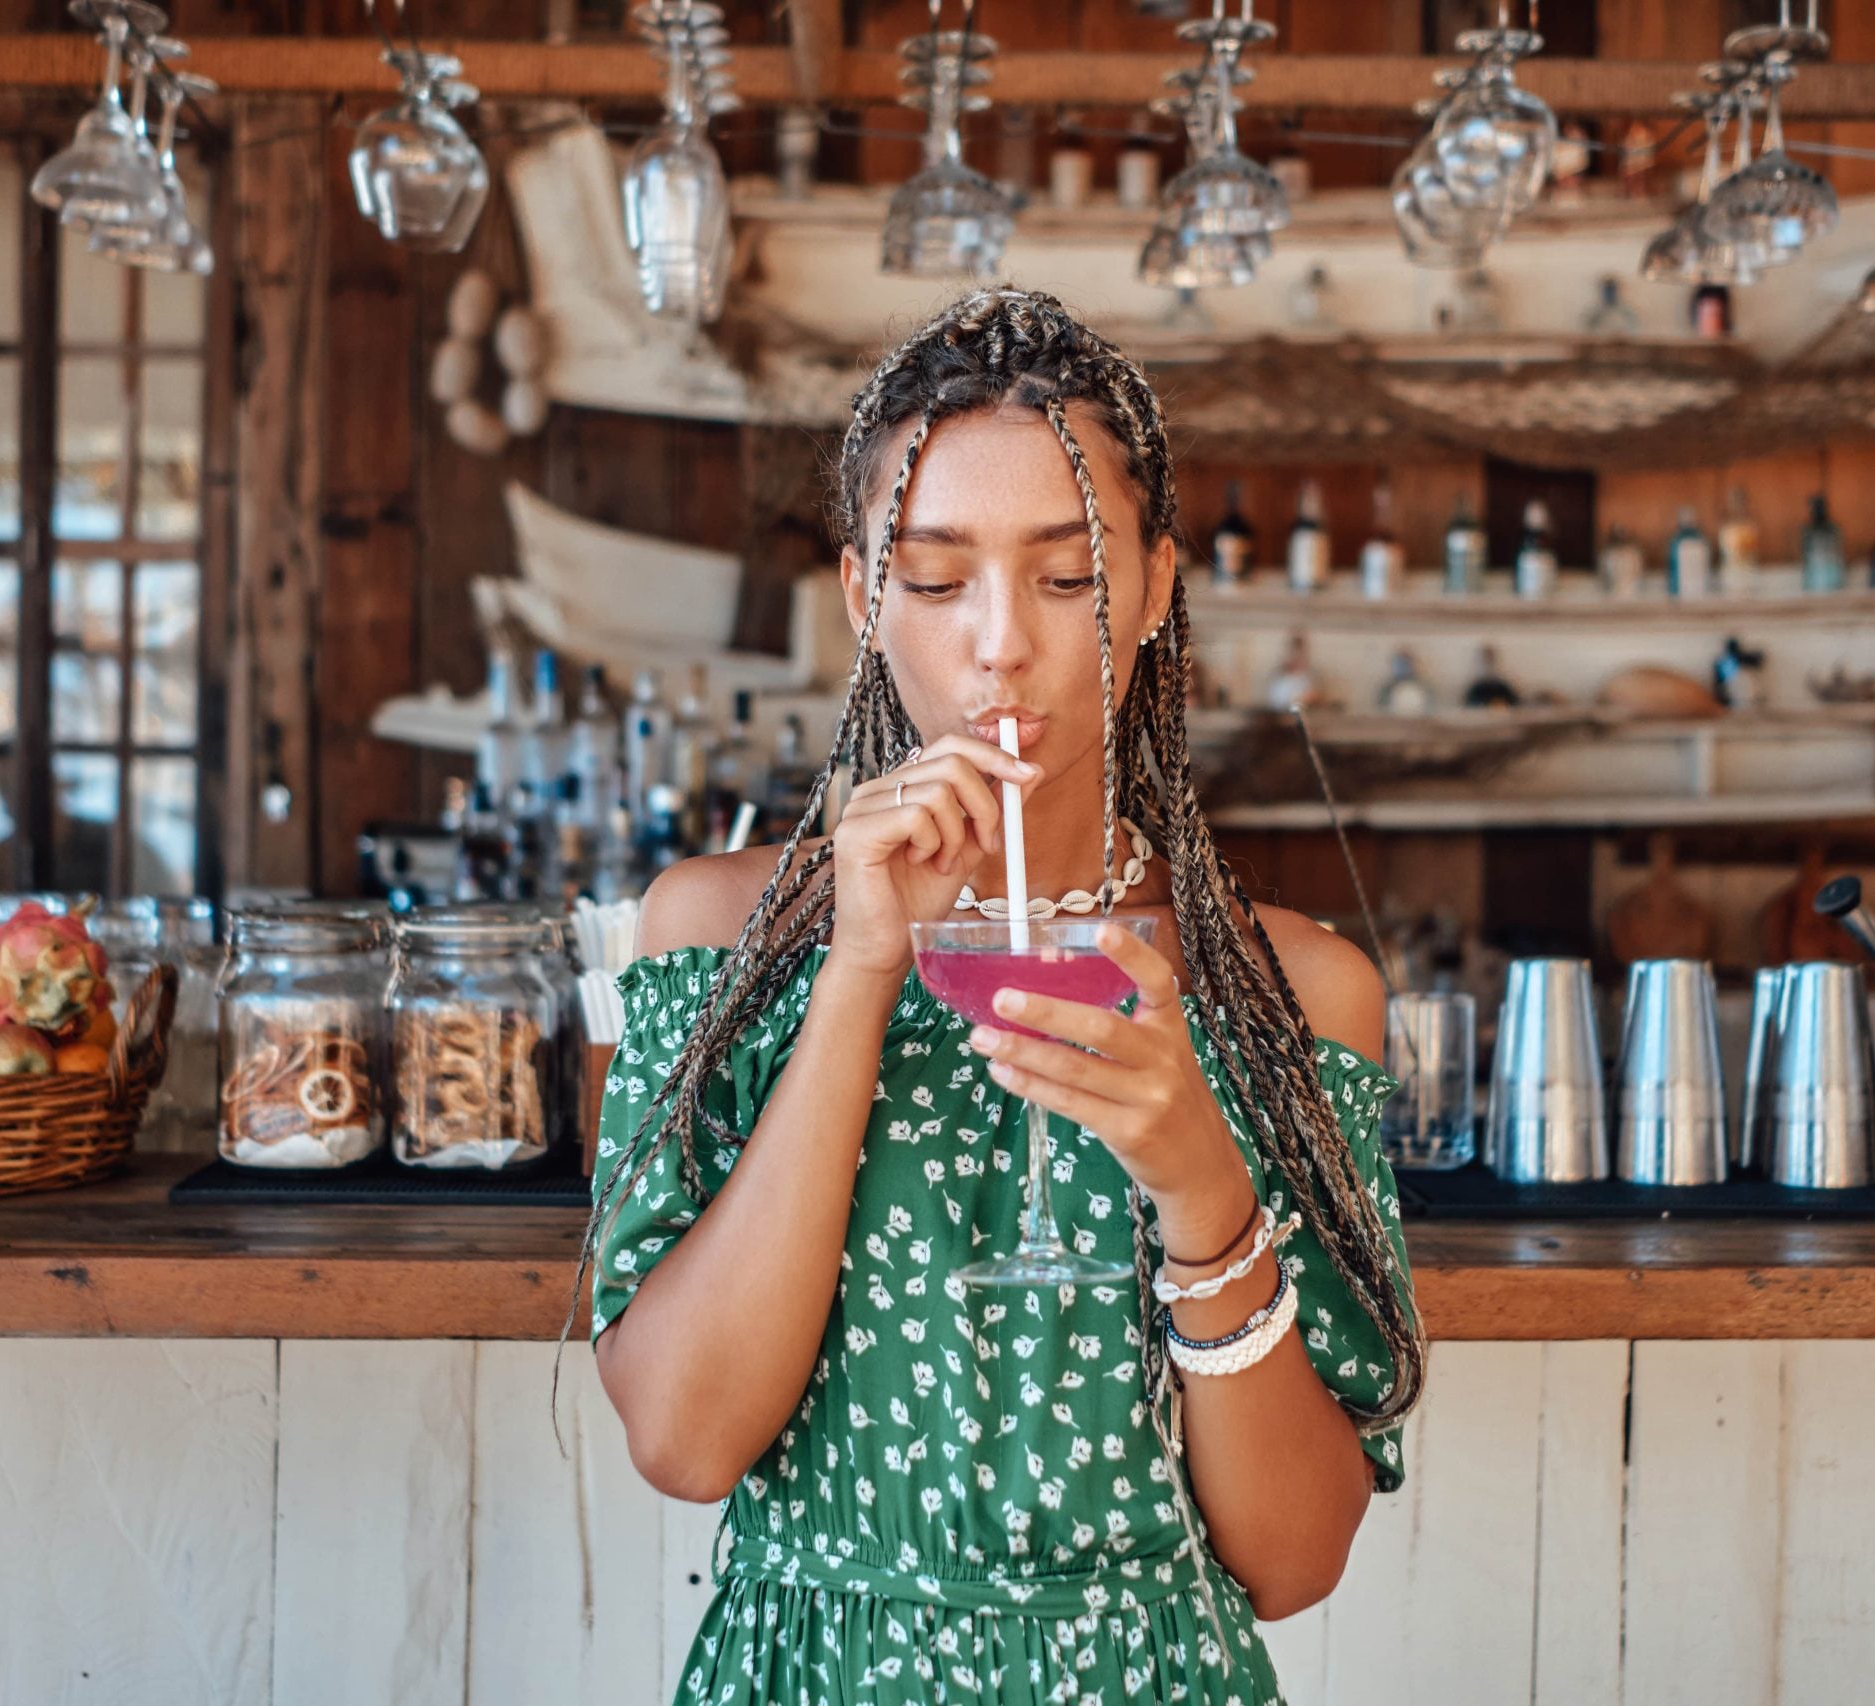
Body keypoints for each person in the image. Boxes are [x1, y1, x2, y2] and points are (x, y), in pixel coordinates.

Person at [575, 287, 1422, 1704]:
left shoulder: (1298, 993)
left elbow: (1294, 1558)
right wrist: (858, 970)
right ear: (861, 598)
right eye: (935, 574)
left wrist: (1204, 1182)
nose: (999, 644)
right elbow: (683, 1436)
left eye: (1068, 575)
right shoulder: (712, 935)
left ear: (1153, 587)